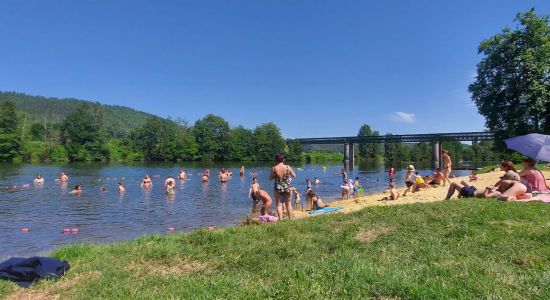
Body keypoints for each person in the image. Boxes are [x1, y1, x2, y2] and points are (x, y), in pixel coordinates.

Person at [269, 154, 296, 220]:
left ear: (276, 160)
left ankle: (280, 220)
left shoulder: (274, 168)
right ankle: (290, 219)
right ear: (283, 160)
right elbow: (294, 176)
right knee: (288, 203)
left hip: (278, 187)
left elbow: (270, 178)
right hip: (287, 186)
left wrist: (275, 176)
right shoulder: (287, 167)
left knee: (279, 204)